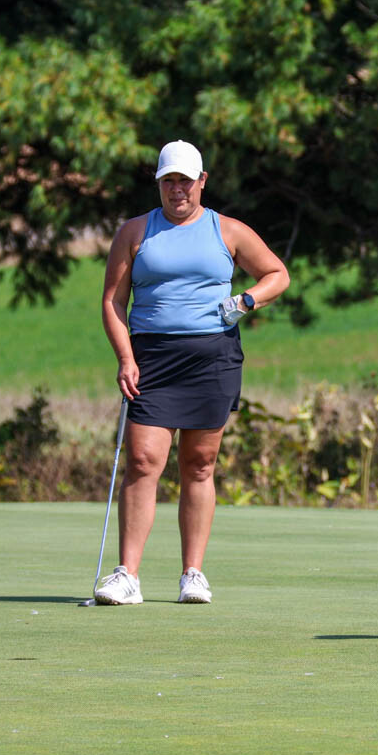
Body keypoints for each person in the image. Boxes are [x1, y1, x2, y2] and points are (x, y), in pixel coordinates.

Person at [97, 140, 290, 605]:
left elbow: (277, 274)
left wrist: (246, 300)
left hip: (212, 358)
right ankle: (127, 576)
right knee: (143, 461)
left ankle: (193, 574)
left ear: (202, 181)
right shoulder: (135, 232)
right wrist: (125, 358)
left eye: (185, 180)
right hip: (152, 359)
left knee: (199, 464)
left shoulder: (228, 230)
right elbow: (113, 301)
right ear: (159, 184)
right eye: (169, 181)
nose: (177, 189)